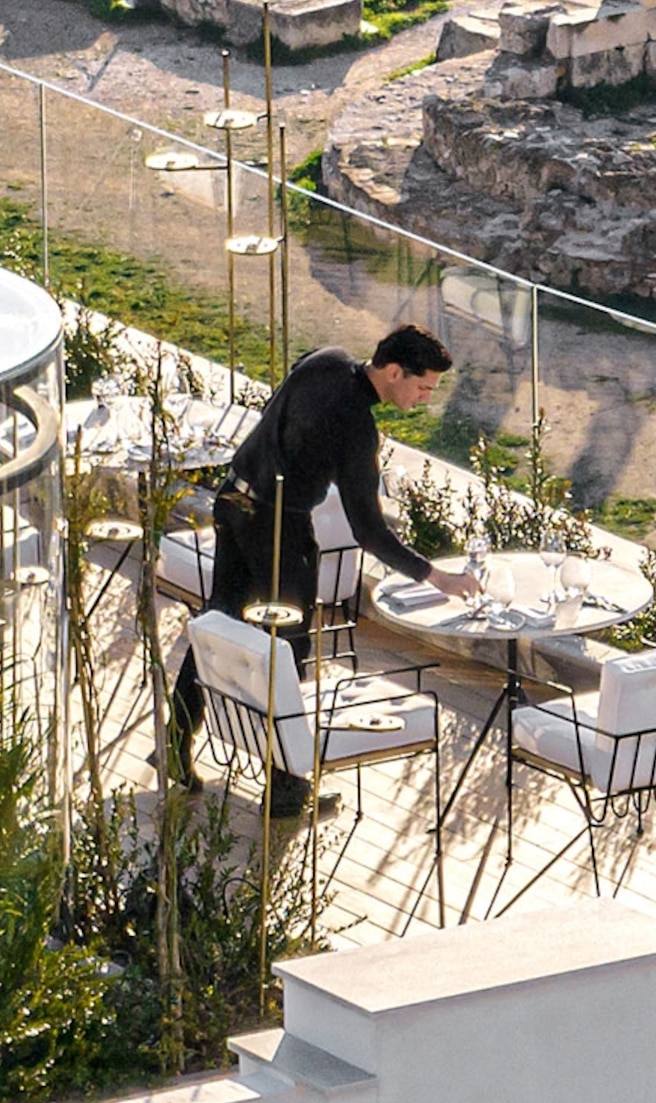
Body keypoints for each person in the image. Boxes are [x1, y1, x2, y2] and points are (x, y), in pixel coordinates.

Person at [169, 324, 480, 814]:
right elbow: (369, 531)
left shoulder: (325, 357)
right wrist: (435, 576)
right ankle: (288, 793)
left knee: (217, 624)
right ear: (394, 372)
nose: (424, 399)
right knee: (287, 652)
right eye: (422, 387)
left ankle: (174, 743)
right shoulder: (357, 428)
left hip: (232, 499)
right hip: (279, 530)